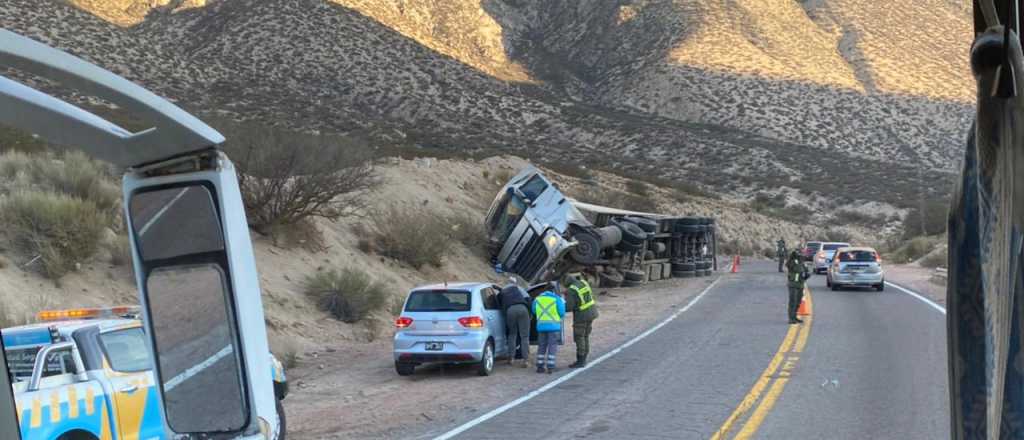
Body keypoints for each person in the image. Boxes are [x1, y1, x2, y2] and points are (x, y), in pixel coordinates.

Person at [562, 274, 598, 368]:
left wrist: (562, 302)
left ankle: (580, 360)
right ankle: (584, 357)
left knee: (579, 336)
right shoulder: (583, 282)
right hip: (592, 312)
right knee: (586, 336)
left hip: (581, 316)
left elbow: (568, 307)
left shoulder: (571, 290)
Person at [498, 276, 532, 367]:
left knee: (512, 334)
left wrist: (505, 314)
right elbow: (529, 300)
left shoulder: (502, 291)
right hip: (522, 308)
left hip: (510, 311)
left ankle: (511, 358)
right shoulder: (519, 288)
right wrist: (530, 314)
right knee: (524, 336)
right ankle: (526, 361)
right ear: (515, 283)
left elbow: (499, 304)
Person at [533, 282, 566, 374]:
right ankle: (550, 366)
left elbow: (533, 310)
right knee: (552, 345)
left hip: (541, 326)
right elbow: (562, 312)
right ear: (553, 290)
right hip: (553, 326)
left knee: (541, 345)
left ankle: (540, 366)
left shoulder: (537, 299)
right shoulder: (557, 299)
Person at [785, 249, 809, 324]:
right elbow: (788, 265)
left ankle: (794, 316)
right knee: (793, 301)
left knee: (798, 302)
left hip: (800, 284)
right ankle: (791, 318)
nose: (802, 256)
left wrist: (807, 275)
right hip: (793, 284)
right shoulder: (793, 261)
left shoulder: (803, 263)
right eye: (800, 254)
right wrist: (792, 256)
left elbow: (806, 272)